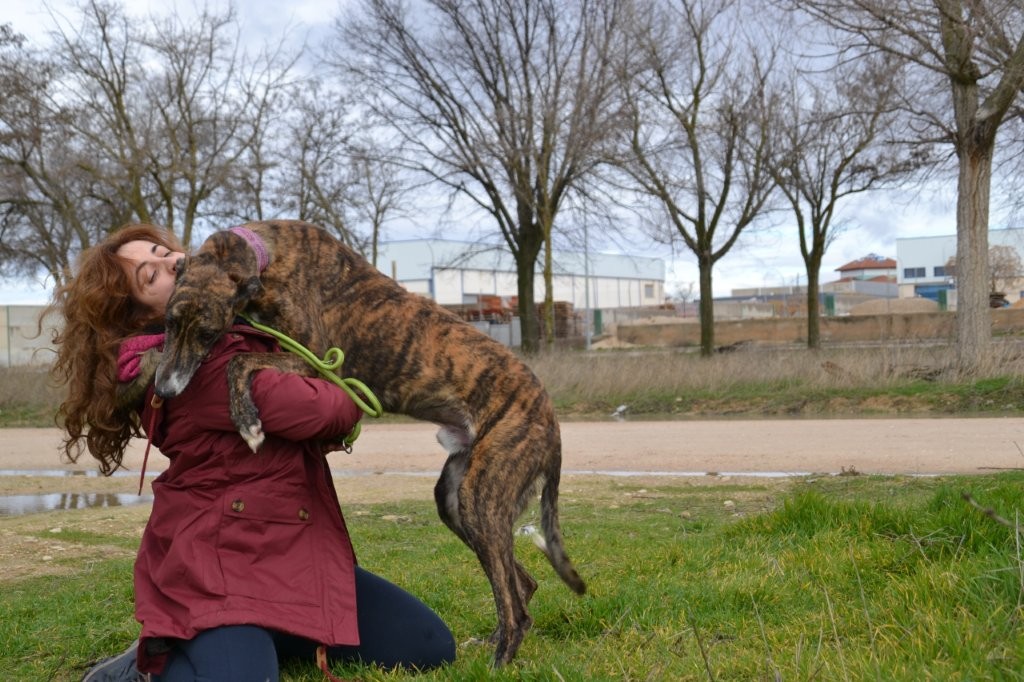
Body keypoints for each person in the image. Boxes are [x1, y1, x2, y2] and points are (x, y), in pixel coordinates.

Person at [48, 224, 456, 681]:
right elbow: (331, 409)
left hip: (288, 561)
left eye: (166, 252)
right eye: (151, 275)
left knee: (429, 646)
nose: (174, 262)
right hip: (218, 569)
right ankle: (144, 668)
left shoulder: (248, 333)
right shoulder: (197, 371)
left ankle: (268, 634)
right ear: (143, 317)